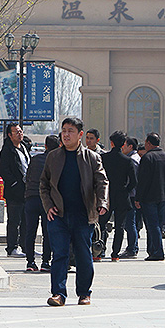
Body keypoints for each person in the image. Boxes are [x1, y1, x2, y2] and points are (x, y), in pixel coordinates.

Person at [40, 117, 108, 307]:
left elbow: (102, 182)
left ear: (80, 135)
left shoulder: (92, 157)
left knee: (83, 254)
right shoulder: (53, 156)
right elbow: (43, 184)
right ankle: (58, 294)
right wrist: (48, 206)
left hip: (83, 214)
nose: (66, 134)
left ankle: (84, 293)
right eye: (64, 130)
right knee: (59, 254)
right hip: (58, 215)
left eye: (70, 131)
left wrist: (102, 202)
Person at [23, 135, 60, 272]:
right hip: (47, 201)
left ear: (45, 146)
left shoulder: (35, 159)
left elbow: (27, 177)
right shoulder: (56, 161)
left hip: (31, 198)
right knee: (47, 232)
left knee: (30, 232)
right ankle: (45, 262)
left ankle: (30, 262)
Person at [99, 131, 137, 262]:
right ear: (124, 144)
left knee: (101, 224)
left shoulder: (103, 158)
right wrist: (126, 190)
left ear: (111, 143)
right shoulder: (127, 161)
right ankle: (115, 254)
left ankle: (99, 251)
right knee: (120, 227)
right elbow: (134, 181)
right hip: (122, 197)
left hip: (106, 196)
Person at [135, 133, 165, 261]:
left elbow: (142, 180)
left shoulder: (147, 157)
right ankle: (152, 250)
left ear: (149, 143)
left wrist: (138, 198)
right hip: (163, 196)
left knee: (152, 225)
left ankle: (157, 251)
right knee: (158, 225)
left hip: (149, 197)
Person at [0, 123, 30, 257]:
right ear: (10, 135)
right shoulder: (7, 151)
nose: (20, 134)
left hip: (26, 190)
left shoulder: (24, 147)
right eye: (16, 132)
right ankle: (12, 247)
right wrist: (14, 183)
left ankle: (26, 247)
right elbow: (3, 170)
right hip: (14, 192)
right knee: (14, 221)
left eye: (20, 131)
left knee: (26, 221)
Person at [118, 137, 142, 257]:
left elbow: (133, 179)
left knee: (130, 223)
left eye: (125, 145)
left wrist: (126, 190)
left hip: (132, 195)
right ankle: (133, 247)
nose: (123, 148)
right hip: (134, 194)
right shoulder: (136, 158)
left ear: (130, 146)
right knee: (131, 222)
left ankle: (132, 248)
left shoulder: (132, 160)